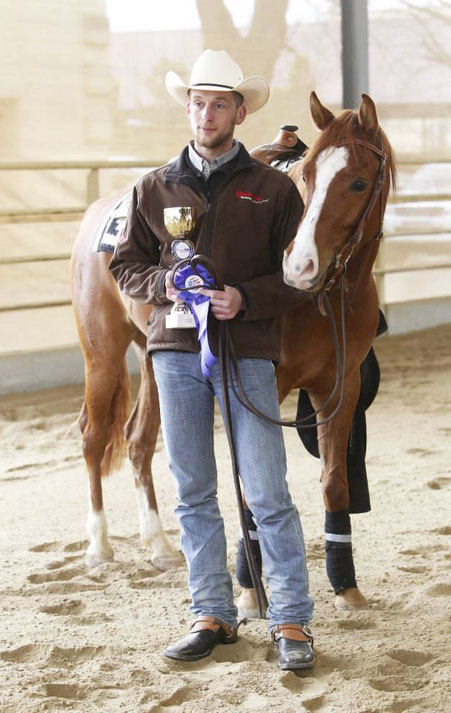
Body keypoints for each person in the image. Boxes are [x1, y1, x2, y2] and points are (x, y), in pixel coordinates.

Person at [109, 49, 315, 670]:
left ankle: (292, 622)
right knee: (193, 490)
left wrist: (244, 297)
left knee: (268, 490)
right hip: (174, 352)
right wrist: (167, 286)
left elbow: (300, 277)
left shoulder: (274, 189)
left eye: (219, 103)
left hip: (248, 350)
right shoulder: (154, 187)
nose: (206, 113)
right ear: (189, 109)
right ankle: (213, 613)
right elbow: (125, 266)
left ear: (240, 111)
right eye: (198, 102)